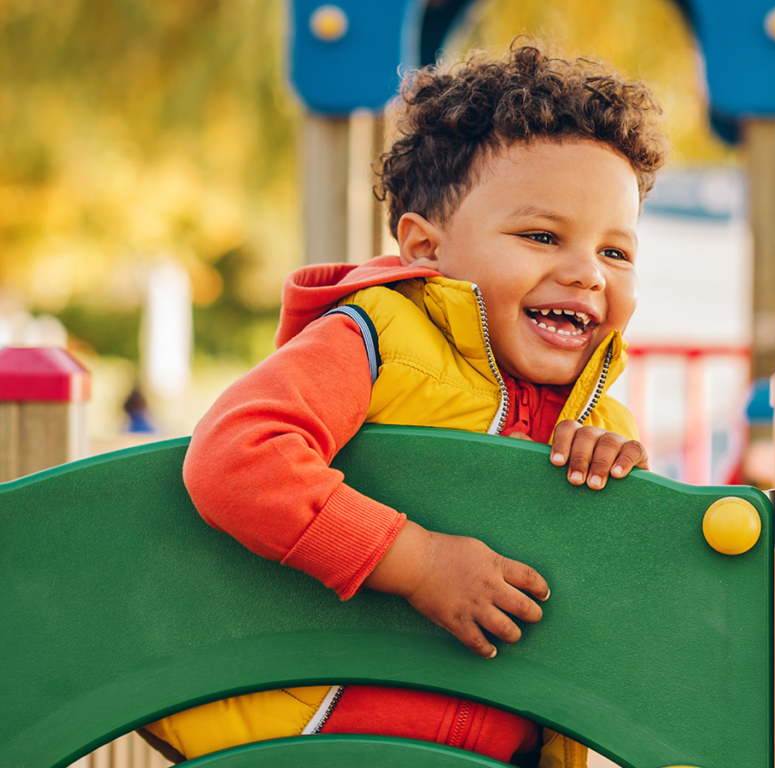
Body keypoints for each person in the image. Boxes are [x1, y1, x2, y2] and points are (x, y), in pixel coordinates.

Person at [143, 44, 667, 768]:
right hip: (310, 739)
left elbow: (629, 614)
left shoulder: (603, 423)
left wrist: (628, 502)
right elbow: (239, 454)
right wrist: (418, 564)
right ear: (425, 248)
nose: (585, 273)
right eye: (542, 236)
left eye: (617, 253)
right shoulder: (377, 337)